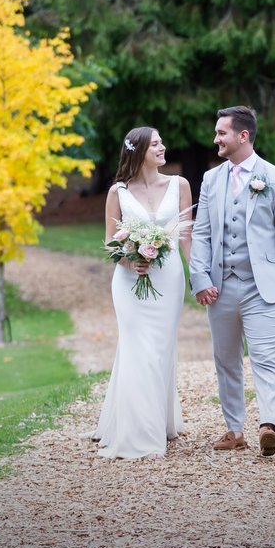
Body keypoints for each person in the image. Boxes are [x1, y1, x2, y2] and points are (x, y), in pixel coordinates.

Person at [190, 105, 275, 457]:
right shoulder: (211, 179)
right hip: (220, 286)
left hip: (263, 287)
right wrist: (199, 277)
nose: (216, 139)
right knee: (225, 360)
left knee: (264, 357)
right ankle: (234, 431)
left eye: (221, 133)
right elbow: (202, 233)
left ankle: (268, 425)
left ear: (243, 136)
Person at [92, 126, 193, 459]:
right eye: (155, 144)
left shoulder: (180, 185)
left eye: (162, 142)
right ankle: (141, 434)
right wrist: (130, 260)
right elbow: (110, 243)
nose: (163, 147)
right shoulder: (118, 192)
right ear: (138, 152)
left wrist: (198, 275)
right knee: (138, 350)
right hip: (129, 282)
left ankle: (159, 420)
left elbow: (186, 238)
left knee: (160, 349)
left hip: (169, 279)